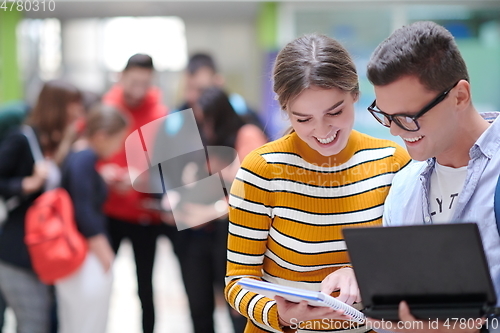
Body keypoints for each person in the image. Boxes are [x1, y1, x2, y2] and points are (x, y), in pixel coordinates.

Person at [224, 33, 411, 333]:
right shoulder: (262, 170)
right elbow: (237, 282)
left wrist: (362, 272)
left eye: (334, 112)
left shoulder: (392, 162)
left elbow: (409, 262)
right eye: (303, 119)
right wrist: (283, 316)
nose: (322, 130)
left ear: (355, 94)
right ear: (286, 111)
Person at [361, 21, 500, 333]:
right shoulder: (403, 186)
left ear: (460, 96)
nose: (395, 131)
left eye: (408, 118)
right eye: (386, 116)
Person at [167, 86, 266, 333]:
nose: (205, 126)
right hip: (200, 234)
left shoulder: (247, 135)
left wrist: (208, 211)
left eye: (208, 119)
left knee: (239, 311)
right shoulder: (206, 138)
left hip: (234, 236)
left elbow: (249, 196)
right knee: (199, 307)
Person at [0, 79, 83, 333]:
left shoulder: (60, 142)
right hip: (17, 248)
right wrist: (27, 184)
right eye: (73, 105)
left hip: (45, 251)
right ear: (58, 106)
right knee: (33, 322)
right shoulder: (22, 139)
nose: (78, 111)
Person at [99, 53, 168, 333]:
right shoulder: (107, 108)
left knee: (145, 287)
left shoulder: (161, 114)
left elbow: (167, 164)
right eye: (134, 81)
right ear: (122, 77)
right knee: (100, 282)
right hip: (109, 211)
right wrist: (104, 171)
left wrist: (140, 177)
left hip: (145, 215)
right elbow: (90, 148)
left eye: (145, 82)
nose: (139, 87)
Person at [56, 104, 129, 333]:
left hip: (75, 255)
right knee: (88, 324)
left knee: (75, 323)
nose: (118, 148)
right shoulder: (86, 158)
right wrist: (104, 252)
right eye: (117, 140)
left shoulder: (78, 155)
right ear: (100, 136)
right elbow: (83, 210)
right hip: (83, 256)